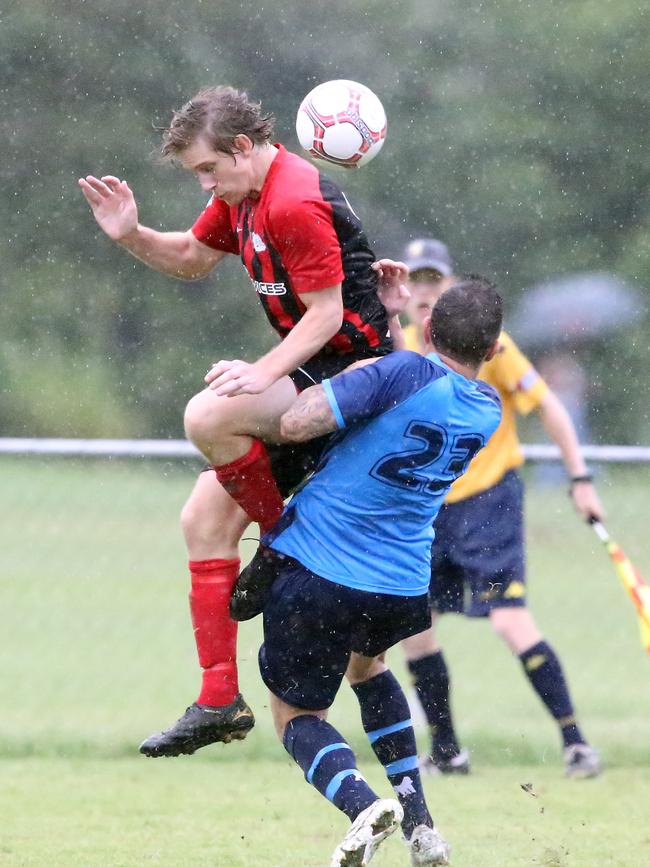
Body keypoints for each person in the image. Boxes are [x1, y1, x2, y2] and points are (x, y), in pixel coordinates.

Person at [78, 85, 406, 757]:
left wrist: (262, 373)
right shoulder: (244, 198)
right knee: (202, 519)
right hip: (312, 375)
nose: (205, 184)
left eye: (208, 170)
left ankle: (279, 542)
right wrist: (131, 234)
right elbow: (192, 260)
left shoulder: (291, 199)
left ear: (244, 148)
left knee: (208, 413)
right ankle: (220, 699)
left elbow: (326, 315)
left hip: (359, 381)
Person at [256, 276, 503, 866]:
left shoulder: (400, 375)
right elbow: (412, 385)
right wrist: (390, 326)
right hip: (399, 584)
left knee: (296, 715)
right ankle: (421, 823)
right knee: (368, 670)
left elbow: (296, 423)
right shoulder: (487, 410)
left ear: (428, 328)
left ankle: (363, 805)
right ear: (493, 350)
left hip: (322, 566)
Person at [397, 238, 605, 779]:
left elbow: (550, 409)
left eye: (433, 281)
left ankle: (575, 742)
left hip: (488, 502)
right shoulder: (402, 348)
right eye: (415, 282)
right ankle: (447, 751)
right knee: (415, 627)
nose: (424, 292)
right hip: (427, 508)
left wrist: (580, 478)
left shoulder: (490, 344)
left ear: (449, 287)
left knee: (511, 621)